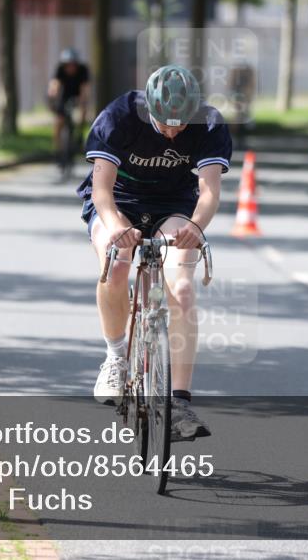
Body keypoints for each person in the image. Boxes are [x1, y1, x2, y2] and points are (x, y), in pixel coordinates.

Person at [76, 65, 232, 442]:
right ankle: (115, 356)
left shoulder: (209, 123)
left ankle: (179, 400)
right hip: (120, 203)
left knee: (181, 290)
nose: (174, 132)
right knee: (116, 267)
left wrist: (195, 228)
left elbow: (209, 191)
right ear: (149, 108)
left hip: (174, 207)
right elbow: (101, 191)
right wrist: (116, 227)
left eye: (181, 125)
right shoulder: (119, 116)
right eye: (165, 124)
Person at [48, 48, 90, 174]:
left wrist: (82, 103)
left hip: (77, 97)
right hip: (64, 97)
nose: (70, 68)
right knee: (58, 124)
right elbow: (54, 85)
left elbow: (85, 89)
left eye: (73, 65)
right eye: (68, 65)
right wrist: (52, 97)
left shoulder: (83, 70)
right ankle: (58, 152)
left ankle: (80, 133)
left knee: (82, 111)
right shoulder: (60, 69)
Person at [228, 63, 255, 149]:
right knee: (238, 120)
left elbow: (251, 86)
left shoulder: (243, 72)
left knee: (242, 119)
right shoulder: (238, 73)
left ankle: (240, 141)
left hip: (242, 98)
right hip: (239, 98)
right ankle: (237, 141)